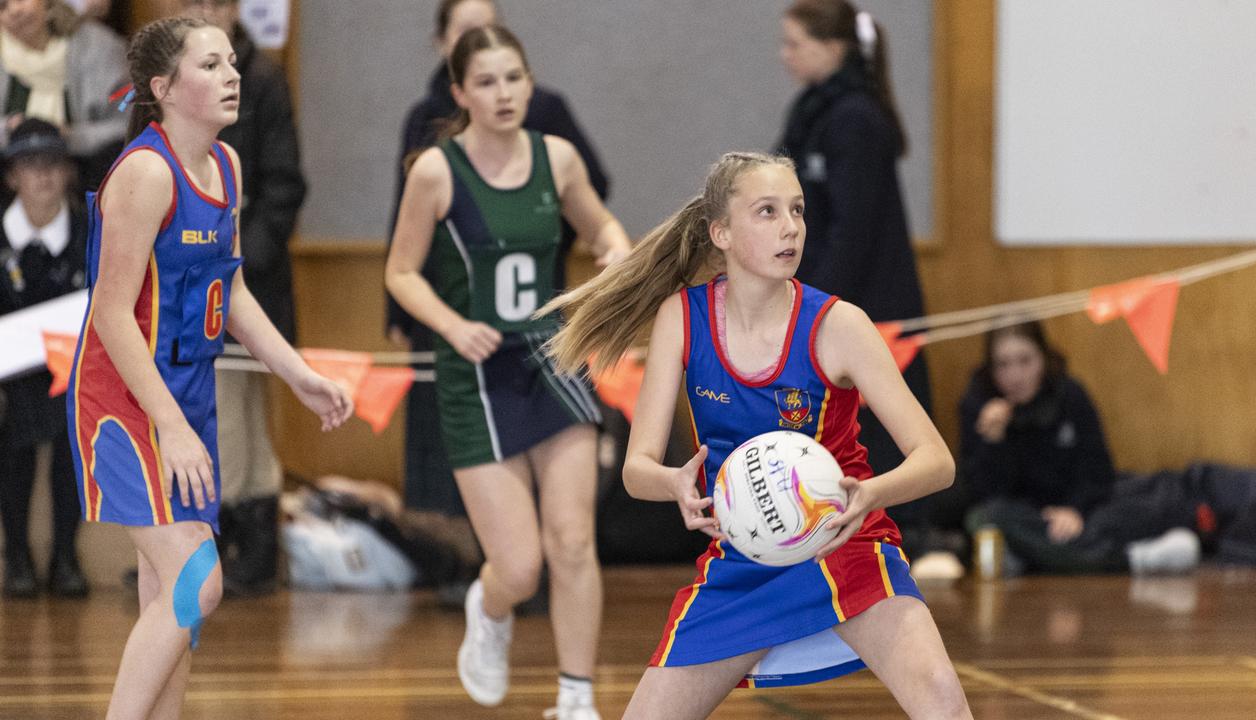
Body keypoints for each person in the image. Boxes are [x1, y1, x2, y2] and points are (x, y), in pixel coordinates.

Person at [539, 152, 971, 719]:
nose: (790, 227)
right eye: (767, 212)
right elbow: (636, 468)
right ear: (720, 232)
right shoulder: (682, 318)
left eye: (797, 210)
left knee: (942, 697)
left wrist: (872, 493)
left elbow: (936, 460)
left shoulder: (839, 325)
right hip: (743, 558)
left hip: (845, 546)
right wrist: (675, 484)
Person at [65, 16, 351, 718]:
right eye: (211, 66)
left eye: (232, 63)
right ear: (163, 88)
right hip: (127, 399)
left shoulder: (227, 165)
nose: (231, 76)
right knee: (199, 581)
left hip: (189, 392)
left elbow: (236, 290)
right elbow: (109, 313)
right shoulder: (144, 172)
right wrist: (171, 425)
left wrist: (296, 372)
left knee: (170, 603)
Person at [384, 26, 629, 720]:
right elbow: (400, 271)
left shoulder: (559, 158)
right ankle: (488, 610)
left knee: (574, 540)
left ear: (530, 82)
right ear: (460, 92)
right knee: (519, 566)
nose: (503, 94)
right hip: (476, 372)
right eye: (486, 82)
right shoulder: (435, 171)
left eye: (513, 78)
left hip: (554, 361)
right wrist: (452, 325)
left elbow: (604, 229)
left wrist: (613, 251)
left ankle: (577, 698)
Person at [177, 0, 307, 596]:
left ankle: (239, 541)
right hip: (195, 277)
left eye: (213, 3)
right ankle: (236, 542)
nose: (202, 11)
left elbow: (285, 182)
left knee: (240, 408)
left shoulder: (262, 79)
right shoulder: (173, 79)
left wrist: (234, 261)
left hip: (249, 273)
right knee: (223, 409)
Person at [775, 1, 932, 487]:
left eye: (794, 44)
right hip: (830, 296)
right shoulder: (812, 113)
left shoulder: (855, 120)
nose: (785, 56)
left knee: (880, 434)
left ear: (833, 47)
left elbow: (852, 231)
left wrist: (813, 307)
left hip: (869, 305)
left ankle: (905, 533)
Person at [960, 321, 1200, 575]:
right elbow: (983, 491)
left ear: (1043, 357)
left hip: (1079, 511)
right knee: (984, 519)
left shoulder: (1069, 395)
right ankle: (1135, 560)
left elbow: (1098, 470)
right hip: (1026, 515)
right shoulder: (978, 404)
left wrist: (1075, 511)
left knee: (1148, 501)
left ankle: (1035, 556)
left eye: (1025, 361)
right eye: (1003, 365)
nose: (1015, 376)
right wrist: (993, 443)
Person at [0, 117, 88, 598]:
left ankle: (66, 555)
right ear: (12, 176)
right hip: (10, 375)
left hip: (73, 368)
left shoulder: (87, 230)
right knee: (13, 441)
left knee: (72, 438)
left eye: (53, 164)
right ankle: (16, 553)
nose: (43, 176)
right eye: (30, 165)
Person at [0, 0, 128, 195]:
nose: (15, 11)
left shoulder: (101, 47)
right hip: (8, 181)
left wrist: (73, 136)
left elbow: (125, 121)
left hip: (87, 176)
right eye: (2, 7)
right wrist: (8, 129)